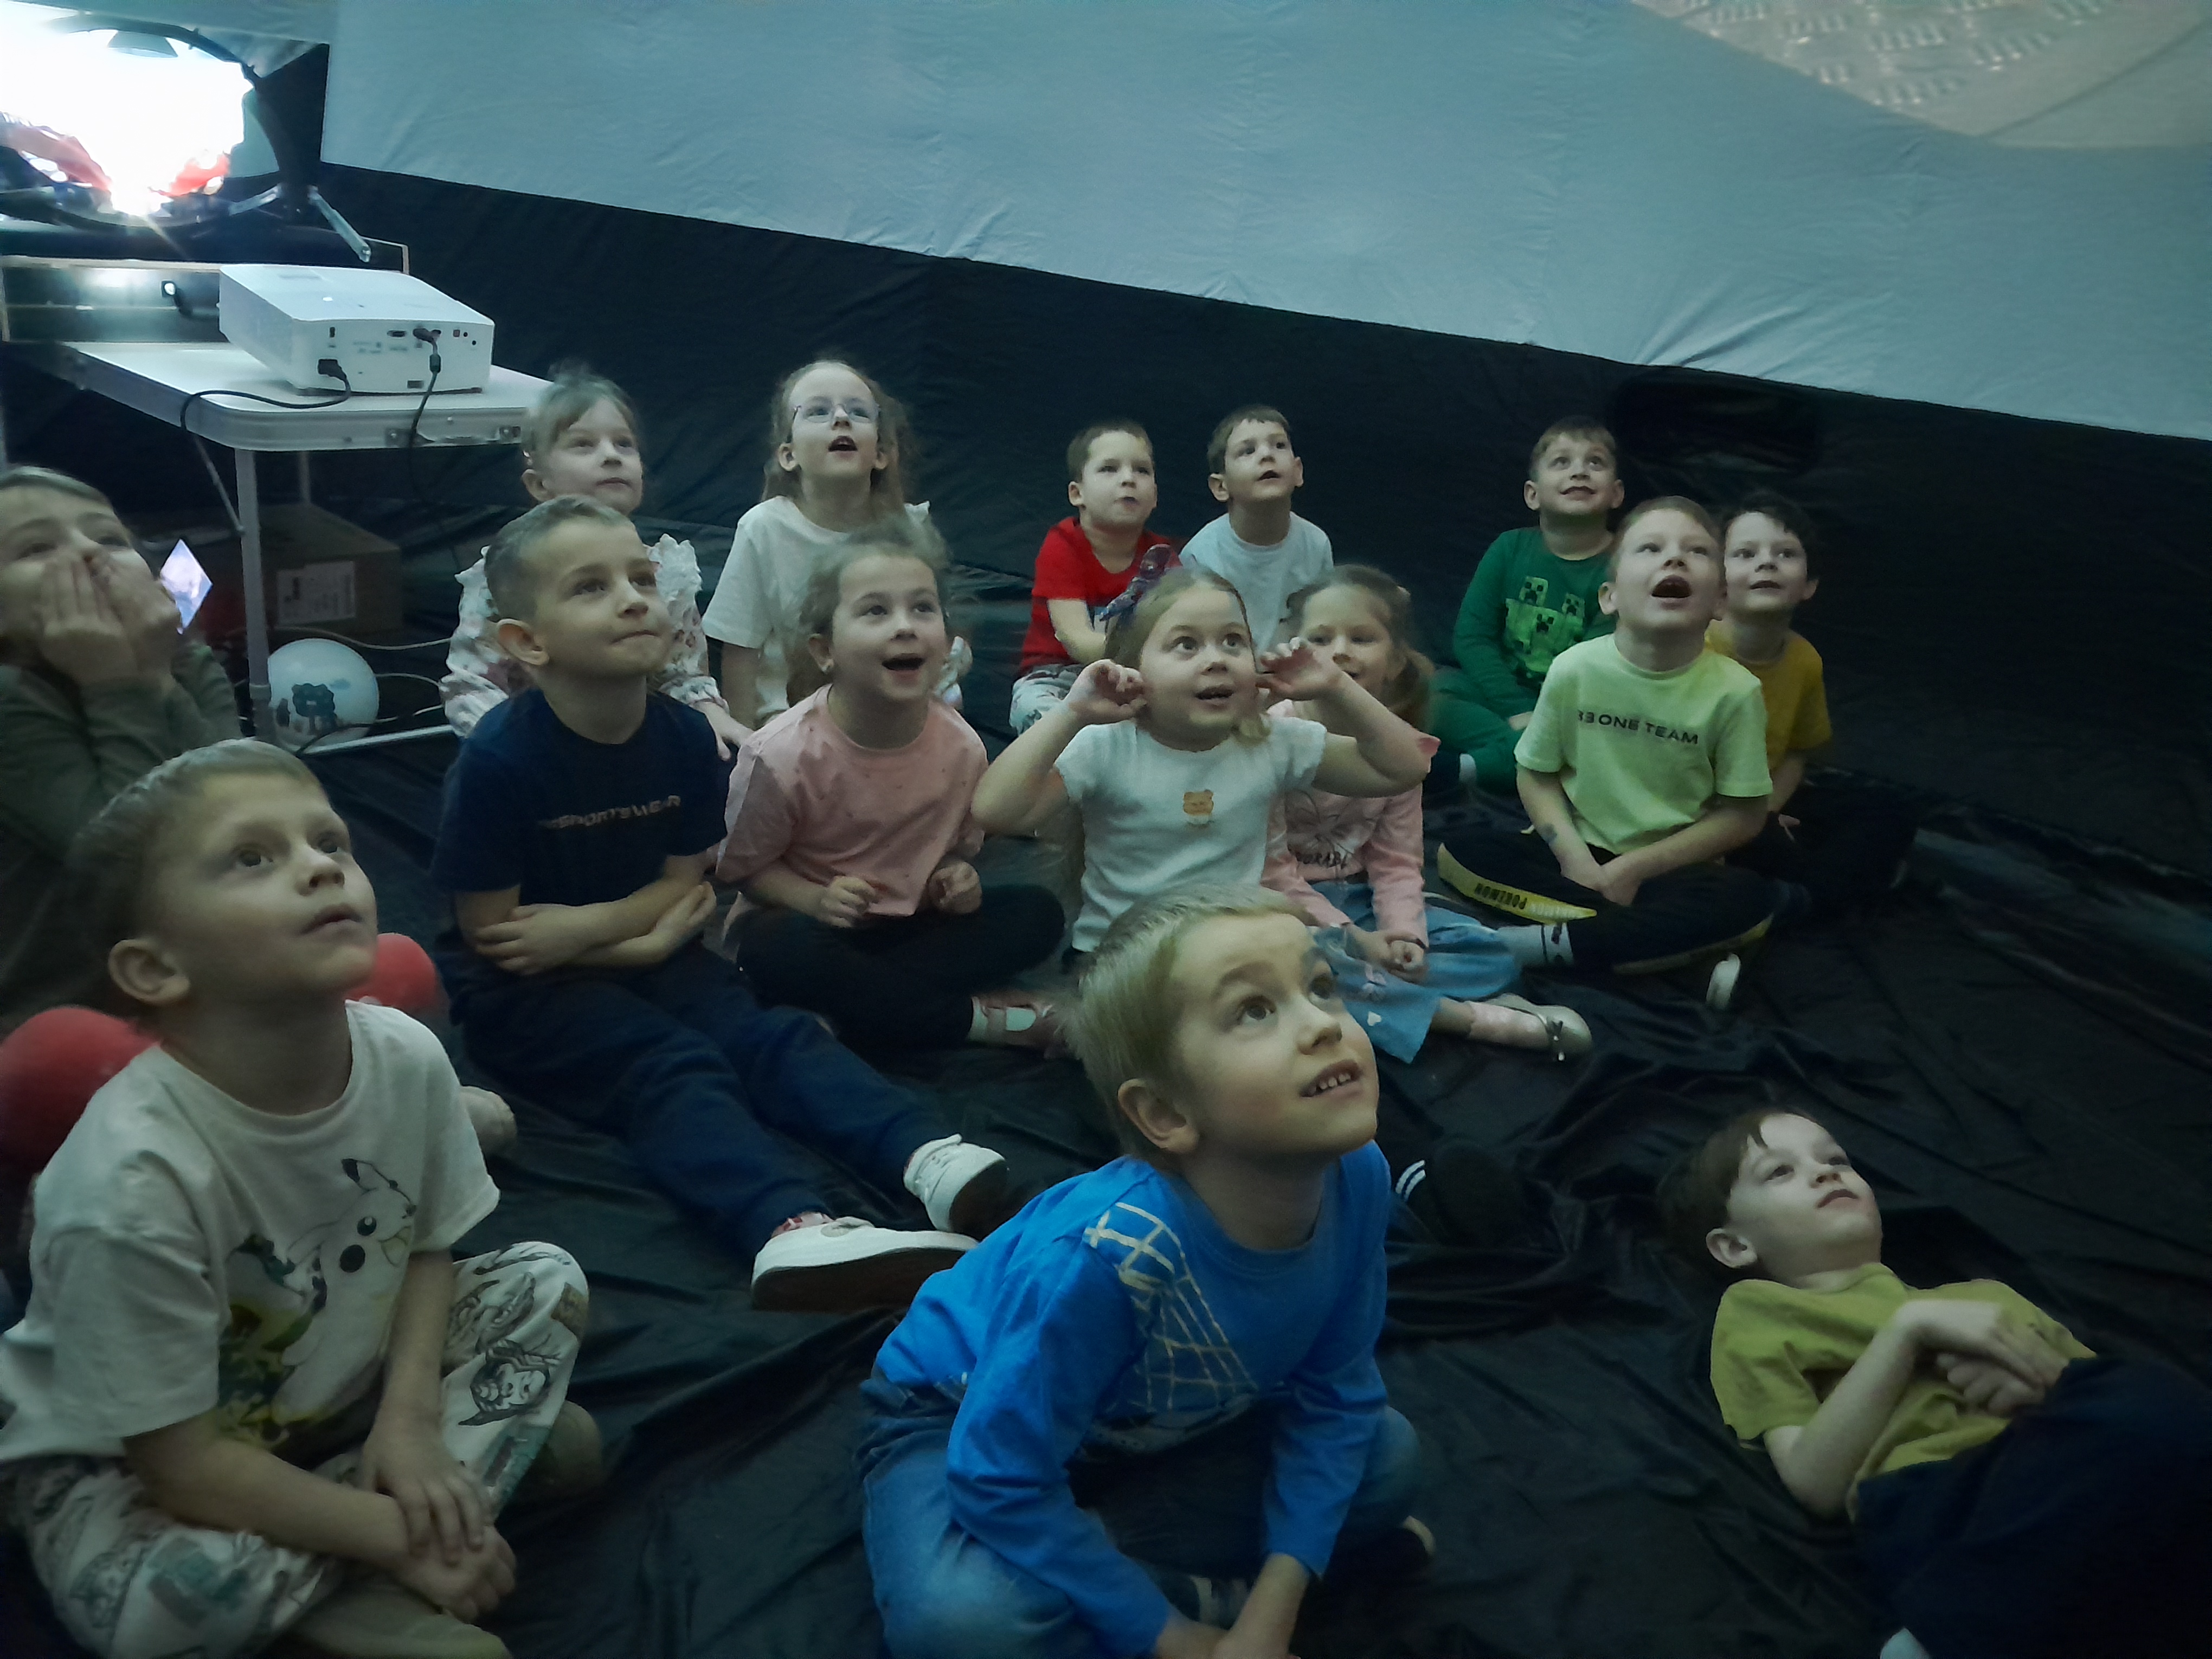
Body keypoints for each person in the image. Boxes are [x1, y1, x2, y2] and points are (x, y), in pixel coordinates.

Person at [0, 740, 595, 1659]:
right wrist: (403, 1536)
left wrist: (409, 1419)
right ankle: (403, 1542)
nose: (321, 867)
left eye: (330, 842)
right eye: (252, 858)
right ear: (156, 970)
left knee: (546, 1278)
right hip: (142, 1462)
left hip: (336, 1390)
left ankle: (380, 1499)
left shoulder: (405, 1056)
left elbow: (428, 1246)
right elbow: (182, 1467)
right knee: (156, 1612)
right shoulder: (129, 1182)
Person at [431, 496, 1008, 1310]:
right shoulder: (498, 762)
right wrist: (640, 933)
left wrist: (613, 935)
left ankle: (923, 1155)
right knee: (669, 1067)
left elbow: (685, 883)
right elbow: (497, 936)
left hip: (650, 953)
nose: (634, 599)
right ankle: (787, 1228)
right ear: (527, 642)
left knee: (771, 1037)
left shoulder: (680, 738)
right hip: (524, 996)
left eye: (642, 578)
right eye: (592, 588)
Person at [860, 885, 1431, 1659]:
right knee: (963, 1624)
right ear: (1166, 1115)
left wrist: (1270, 1616)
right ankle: (1166, 1596)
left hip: (1154, 1434)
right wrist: (1178, 1639)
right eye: (1255, 1010)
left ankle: (1121, 1591)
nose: (1324, 1024)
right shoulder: (1105, 1259)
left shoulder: (1357, 1178)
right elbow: (998, 1476)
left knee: (1388, 1458)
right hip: (958, 1420)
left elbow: (1337, 1396)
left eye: (1320, 986)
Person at [1657, 1108, 2212, 1659]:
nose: (1825, 1172)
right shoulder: (1758, 1310)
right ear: (1735, 1246)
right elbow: (1813, 1480)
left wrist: (2033, 1383)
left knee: (2158, 1411)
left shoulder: (1986, 1298)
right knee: (2156, 1410)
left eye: (1837, 1160)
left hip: (2063, 1478)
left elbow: (2108, 1405)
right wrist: (1908, 1333)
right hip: (1940, 1499)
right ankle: (1948, 1630)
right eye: (1780, 1171)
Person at [718, 517, 1066, 1053]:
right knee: (773, 949)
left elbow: (954, 850)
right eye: (875, 611)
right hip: (813, 928)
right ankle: (979, 1021)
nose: (905, 626)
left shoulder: (963, 747)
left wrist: (955, 880)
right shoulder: (780, 754)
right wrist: (815, 899)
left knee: (1038, 915)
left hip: (910, 929)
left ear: (947, 643)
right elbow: (744, 870)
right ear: (825, 651)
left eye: (922, 608)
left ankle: (853, 1011)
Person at [972, 570, 1430, 958]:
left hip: (1231, 953)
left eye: (1233, 641)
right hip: (1127, 961)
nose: (1216, 660)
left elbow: (1405, 768)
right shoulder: (1107, 747)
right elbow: (996, 811)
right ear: (1134, 668)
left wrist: (1336, 686)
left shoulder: (1272, 742)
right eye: (1186, 645)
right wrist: (1070, 714)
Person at [1437, 497, 1777, 1002]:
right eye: (1650, 548)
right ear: (1610, 596)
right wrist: (1572, 856)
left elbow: (1744, 816)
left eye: (1697, 552)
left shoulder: (1737, 692)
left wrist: (1634, 870)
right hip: (1573, 856)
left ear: (1721, 602)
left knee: (1748, 900)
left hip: (1671, 870)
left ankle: (1520, 946)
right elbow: (1536, 774)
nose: (1674, 558)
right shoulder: (1575, 669)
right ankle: (1659, 959)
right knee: (1458, 853)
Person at [1264, 568, 1589, 1062]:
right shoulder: (1271, 736)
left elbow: (1396, 862)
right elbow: (1272, 874)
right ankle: (1466, 1018)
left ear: (1395, 661)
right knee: (1300, 962)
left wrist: (1404, 937)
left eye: (1362, 638)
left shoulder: (1399, 748)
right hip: (1288, 908)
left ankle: (1394, 991)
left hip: (1359, 900)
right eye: (1321, 639)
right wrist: (1358, 942)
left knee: (1489, 950)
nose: (1341, 651)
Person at [0, 465, 242, 1034]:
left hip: (203, 979)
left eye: (110, 538)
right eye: (36, 548)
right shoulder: (9, 699)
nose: (89, 553)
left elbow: (242, 805)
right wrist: (116, 682)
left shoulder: (182, 657)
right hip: (67, 1016)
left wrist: (157, 671)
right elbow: (136, 864)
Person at [441, 365, 747, 756]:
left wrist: (707, 709)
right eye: (583, 445)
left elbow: (682, 672)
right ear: (540, 483)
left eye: (624, 444)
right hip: (537, 747)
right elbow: (475, 684)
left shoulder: (667, 570)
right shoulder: (507, 572)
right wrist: (508, 750)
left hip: (637, 745)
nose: (611, 456)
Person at [702, 357, 966, 728]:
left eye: (858, 412)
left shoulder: (910, 527)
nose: (841, 418)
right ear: (789, 455)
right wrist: (744, 741)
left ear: (881, 454)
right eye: (818, 411)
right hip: (790, 724)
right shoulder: (764, 529)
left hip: (894, 719)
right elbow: (740, 649)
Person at [1707, 492, 1917, 920]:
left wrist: (1767, 811)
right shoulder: (1692, 652)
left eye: (1785, 554)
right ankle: (1815, 892)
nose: (1767, 563)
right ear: (1718, 584)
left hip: (1762, 802)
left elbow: (1797, 751)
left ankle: (1804, 895)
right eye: (1746, 554)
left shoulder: (1804, 660)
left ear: (1808, 585)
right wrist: (1747, 825)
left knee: (1887, 810)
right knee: (1761, 851)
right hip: (1697, 809)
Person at [1429, 418, 1622, 793]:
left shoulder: (1622, 567)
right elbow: (1472, 638)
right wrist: (1517, 710)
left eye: (1595, 462)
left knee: (1594, 741)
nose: (1579, 471)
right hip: (1500, 697)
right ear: (1533, 495)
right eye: (1562, 462)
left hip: (1573, 709)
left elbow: (1596, 668)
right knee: (1430, 691)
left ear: (1616, 494)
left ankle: (1463, 770)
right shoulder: (1510, 548)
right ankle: (1521, 761)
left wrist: (1541, 717)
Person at [1009, 419, 1178, 733]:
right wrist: (1153, 655)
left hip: (1138, 676)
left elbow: (1181, 627)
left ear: (1155, 496)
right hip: (1059, 676)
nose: (1128, 479)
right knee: (1035, 708)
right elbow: (1077, 640)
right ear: (1078, 494)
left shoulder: (1161, 557)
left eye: (1142, 470)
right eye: (1109, 469)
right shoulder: (1063, 545)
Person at [1176, 406, 1333, 651]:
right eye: (1248, 451)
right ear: (1221, 487)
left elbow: (1324, 626)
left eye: (1279, 445)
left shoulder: (1316, 543)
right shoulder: (1200, 554)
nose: (1267, 455)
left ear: (1298, 471)